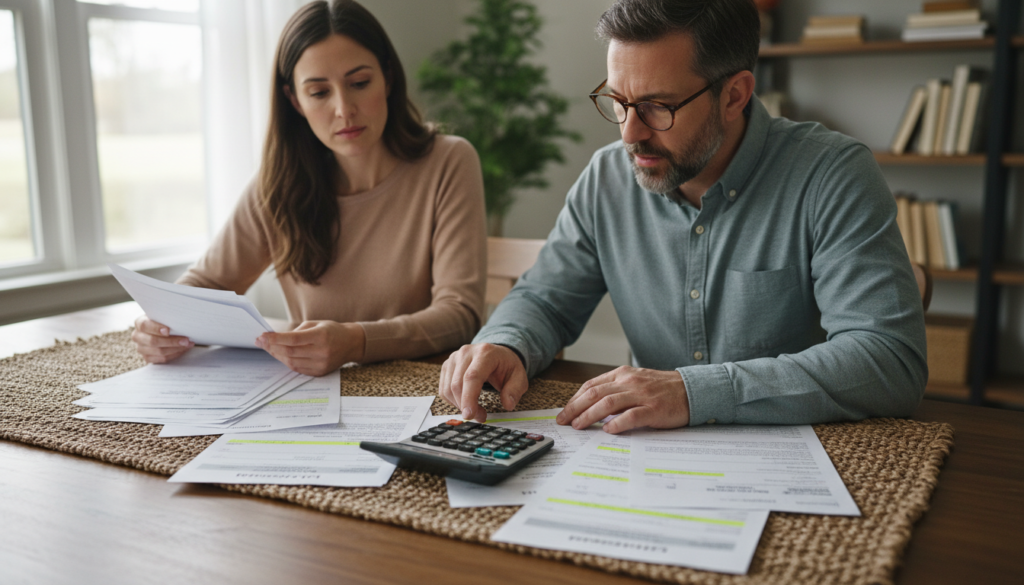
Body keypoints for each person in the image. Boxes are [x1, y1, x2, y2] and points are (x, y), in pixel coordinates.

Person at [438, 0, 926, 434]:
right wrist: (506, 344)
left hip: (817, 460)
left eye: (656, 107)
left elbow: (889, 359)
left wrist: (694, 393)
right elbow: (546, 300)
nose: (629, 134)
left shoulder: (832, 175)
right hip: (646, 462)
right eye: (618, 102)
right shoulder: (607, 178)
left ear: (734, 95)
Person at [131, 0, 486, 376]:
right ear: (295, 101)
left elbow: (459, 315)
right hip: (307, 397)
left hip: (423, 389)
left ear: (388, 78)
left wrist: (355, 341)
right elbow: (207, 282)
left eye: (360, 83)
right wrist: (161, 324)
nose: (344, 109)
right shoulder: (280, 183)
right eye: (319, 92)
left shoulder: (449, 162)